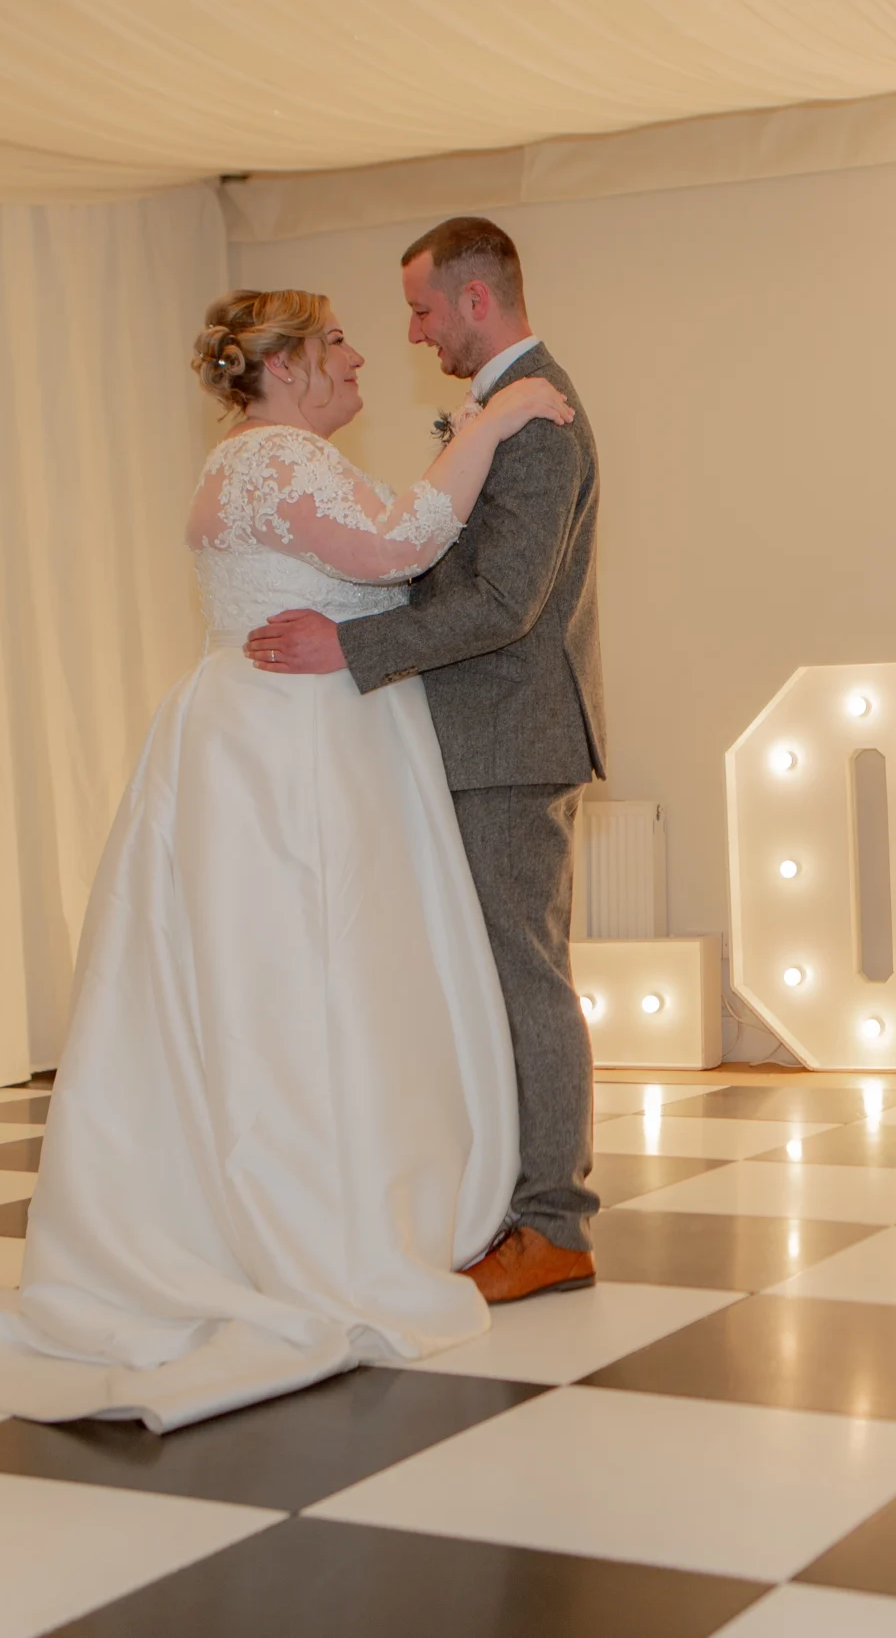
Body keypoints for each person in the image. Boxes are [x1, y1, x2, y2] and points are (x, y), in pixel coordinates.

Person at [0, 289, 573, 1431]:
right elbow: (401, 545)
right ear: (294, 365)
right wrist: (491, 428)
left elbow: (378, 566)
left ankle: (267, 1188)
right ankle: (314, 1209)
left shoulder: (264, 457)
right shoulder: (274, 458)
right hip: (294, 742)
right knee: (312, 966)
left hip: (277, 722)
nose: (364, 354)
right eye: (342, 342)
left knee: (271, 969)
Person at [246, 218, 605, 1305]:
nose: (411, 334)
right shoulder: (508, 412)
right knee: (484, 978)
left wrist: (349, 644)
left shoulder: (539, 420)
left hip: (505, 740)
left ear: (475, 301)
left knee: (526, 981)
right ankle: (504, 1203)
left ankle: (554, 1224)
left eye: (420, 311)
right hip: (470, 736)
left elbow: (505, 604)